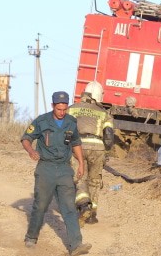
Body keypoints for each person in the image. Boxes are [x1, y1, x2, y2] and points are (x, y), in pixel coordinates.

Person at [20, 91, 91, 256]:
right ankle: (31, 237)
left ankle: (76, 245)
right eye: (59, 109)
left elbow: (76, 143)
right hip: (46, 168)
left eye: (65, 109)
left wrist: (81, 163)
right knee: (41, 206)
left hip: (65, 169)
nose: (62, 112)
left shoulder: (71, 122)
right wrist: (31, 151)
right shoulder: (41, 121)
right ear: (53, 106)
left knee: (69, 207)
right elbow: (26, 138)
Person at [68, 81, 114, 225]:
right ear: (100, 96)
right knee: (94, 181)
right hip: (98, 148)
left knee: (79, 178)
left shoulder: (72, 109)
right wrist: (105, 152)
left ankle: (83, 205)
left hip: (77, 146)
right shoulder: (104, 113)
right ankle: (92, 215)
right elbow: (109, 136)